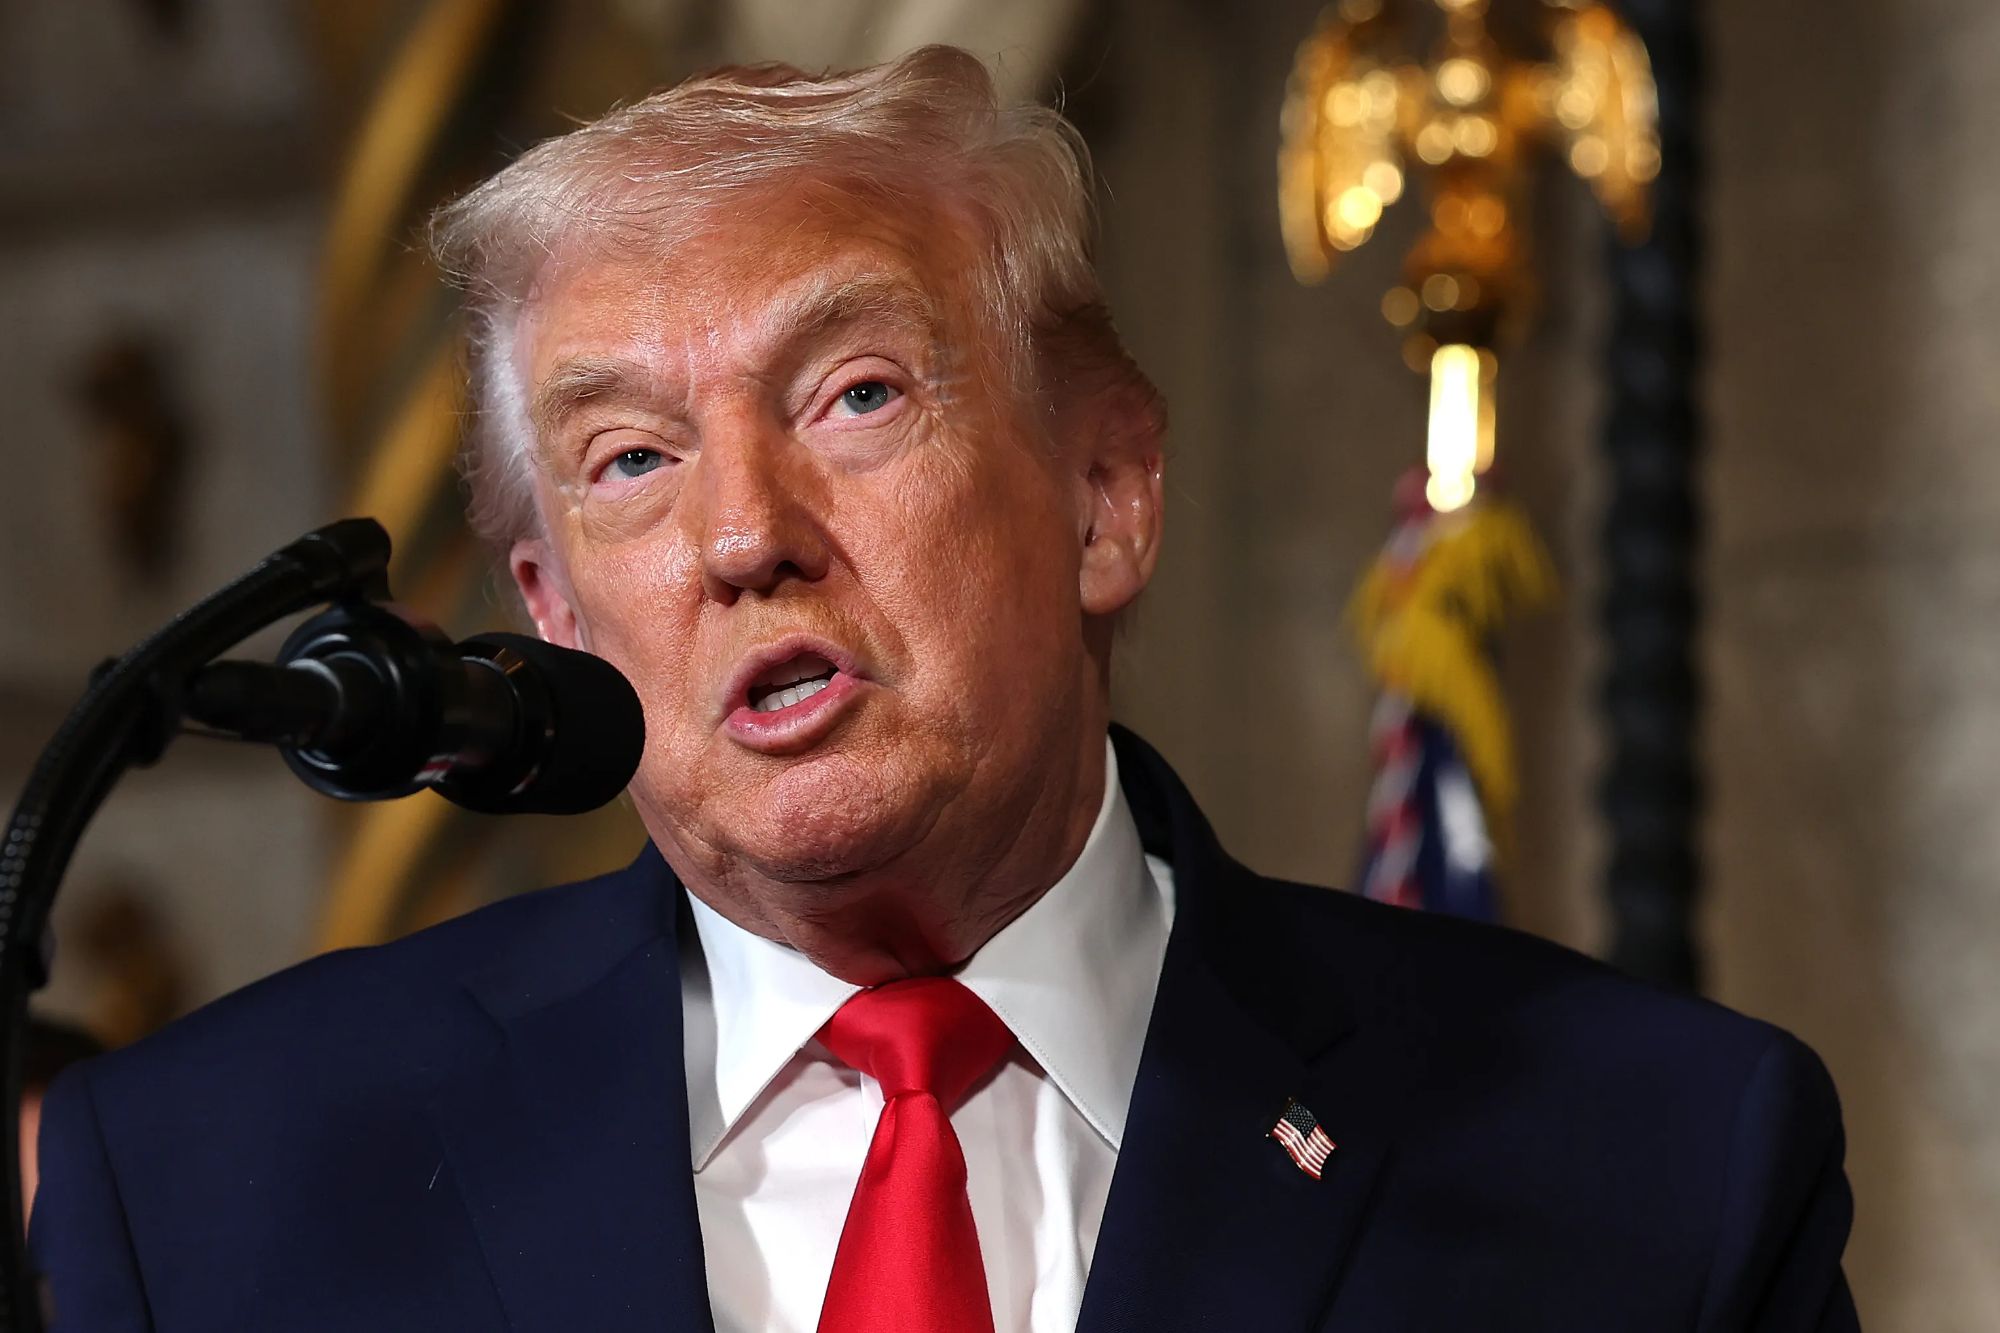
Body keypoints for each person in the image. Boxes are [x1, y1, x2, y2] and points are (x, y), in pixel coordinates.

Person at [30, 46, 1858, 1332]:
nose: (746, 533)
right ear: (553, 616)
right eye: (630, 459)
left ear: (1105, 494)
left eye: (857, 397)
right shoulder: (211, 1183)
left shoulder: (1652, 1163)